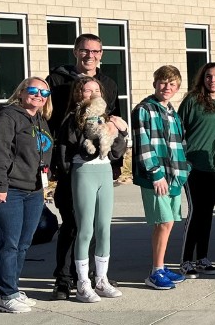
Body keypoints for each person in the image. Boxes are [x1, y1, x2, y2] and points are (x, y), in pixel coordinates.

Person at [46, 33, 118, 299]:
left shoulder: (108, 83)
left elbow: (112, 119)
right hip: (71, 165)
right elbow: (49, 120)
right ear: (76, 51)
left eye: (96, 51)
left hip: (100, 163)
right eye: (85, 51)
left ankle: (91, 278)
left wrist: (115, 160)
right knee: (73, 222)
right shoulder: (57, 80)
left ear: (101, 54)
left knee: (99, 224)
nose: (91, 55)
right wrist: (54, 163)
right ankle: (64, 279)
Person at [0, 78, 54, 312]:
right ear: (21, 92)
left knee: (22, 243)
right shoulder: (6, 118)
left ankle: (12, 289)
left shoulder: (39, 119)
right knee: (7, 242)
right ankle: (6, 294)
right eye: (33, 90)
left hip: (33, 190)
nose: (38, 95)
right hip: (6, 189)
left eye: (44, 92)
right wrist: (0, 187)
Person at [54, 77, 128, 301]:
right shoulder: (73, 118)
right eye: (88, 90)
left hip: (104, 171)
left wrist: (120, 132)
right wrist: (95, 131)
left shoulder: (108, 118)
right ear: (79, 94)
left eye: (97, 90)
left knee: (104, 227)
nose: (93, 94)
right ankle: (83, 283)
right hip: (83, 171)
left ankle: (101, 279)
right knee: (84, 228)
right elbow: (78, 150)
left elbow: (116, 152)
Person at [132, 66, 191, 289]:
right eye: (163, 82)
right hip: (157, 177)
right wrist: (155, 174)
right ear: (155, 83)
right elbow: (144, 145)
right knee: (163, 221)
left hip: (175, 176)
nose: (167, 87)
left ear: (177, 88)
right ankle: (155, 272)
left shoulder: (172, 113)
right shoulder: (144, 110)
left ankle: (162, 265)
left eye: (172, 84)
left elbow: (181, 143)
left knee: (168, 223)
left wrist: (184, 170)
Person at [178, 62, 215, 276]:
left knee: (207, 213)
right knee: (195, 212)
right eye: (209, 76)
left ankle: (202, 257)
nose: (213, 80)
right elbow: (177, 130)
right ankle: (185, 260)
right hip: (192, 165)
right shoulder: (192, 101)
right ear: (203, 79)